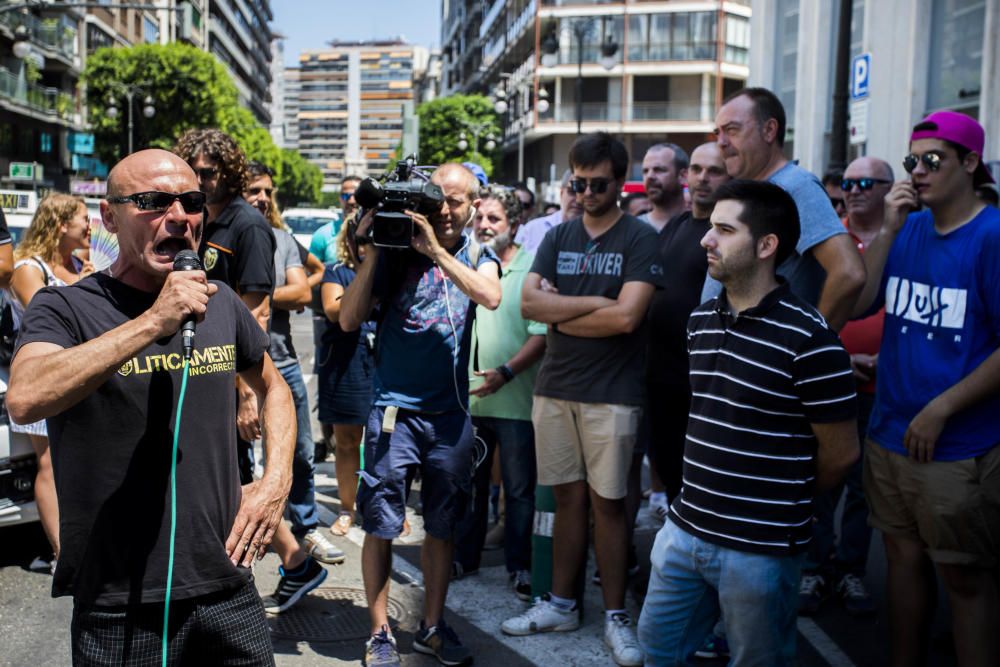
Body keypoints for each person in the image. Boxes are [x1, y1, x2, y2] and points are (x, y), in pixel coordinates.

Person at [6, 149, 294, 664]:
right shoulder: (66, 306)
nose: (178, 217)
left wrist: (275, 484)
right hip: (121, 600)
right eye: (154, 202)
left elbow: (276, 389)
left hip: (227, 587)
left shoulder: (219, 300)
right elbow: (26, 398)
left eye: (190, 202)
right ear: (109, 218)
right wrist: (152, 323)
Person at [637, 179, 859, 665]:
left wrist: (776, 504)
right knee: (656, 651)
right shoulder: (699, 322)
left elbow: (841, 454)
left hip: (760, 550)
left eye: (723, 229)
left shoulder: (811, 339)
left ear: (766, 245)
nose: (705, 239)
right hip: (685, 529)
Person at [502, 132, 663, 667]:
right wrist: (596, 302)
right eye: (578, 182)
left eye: (598, 183)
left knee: (610, 507)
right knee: (566, 501)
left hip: (612, 395)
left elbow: (628, 318)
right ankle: (563, 603)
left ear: (620, 183)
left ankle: (617, 615)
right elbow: (529, 302)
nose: (586, 192)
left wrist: (563, 308)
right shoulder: (559, 235)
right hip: (556, 389)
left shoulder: (639, 237)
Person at [850, 111, 1000, 666]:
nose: (919, 171)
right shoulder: (908, 227)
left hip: (959, 447)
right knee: (901, 563)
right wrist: (888, 229)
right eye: (913, 161)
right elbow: (862, 302)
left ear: (969, 162)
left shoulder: (991, 237)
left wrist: (942, 408)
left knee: (964, 578)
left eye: (932, 160)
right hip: (890, 432)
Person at [340, 163, 501, 667]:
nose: (445, 211)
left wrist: (434, 251)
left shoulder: (479, 255)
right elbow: (347, 318)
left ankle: (431, 626)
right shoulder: (394, 253)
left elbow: (490, 296)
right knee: (381, 526)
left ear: (473, 206)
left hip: (450, 416)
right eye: (439, 199)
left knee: (442, 526)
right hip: (393, 413)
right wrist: (371, 252)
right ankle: (380, 633)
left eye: (456, 202)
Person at [243, 161, 346, 614]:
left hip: (280, 364)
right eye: (253, 190)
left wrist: (253, 292)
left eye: (267, 191)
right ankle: (271, 551)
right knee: (238, 469)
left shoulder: (281, 238)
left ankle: (303, 533)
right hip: (233, 370)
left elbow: (304, 290)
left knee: (300, 454)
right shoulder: (223, 236)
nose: (262, 198)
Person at [799, 157, 893, 617]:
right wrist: (837, 356)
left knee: (864, 487)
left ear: (888, 189)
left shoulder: (905, 239)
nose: (853, 190)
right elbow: (811, 308)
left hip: (886, 386)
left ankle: (851, 569)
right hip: (831, 378)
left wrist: (885, 360)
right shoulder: (828, 238)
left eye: (865, 183)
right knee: (822, 479)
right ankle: (814, 567)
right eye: (849, 183)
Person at [451, 185, 545, 600]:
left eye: (495, 219)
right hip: (469, 400)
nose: (485, 226)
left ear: (515, 225)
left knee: (520, 489)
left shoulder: (533, 269)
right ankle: (464, 557)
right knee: (468, 484)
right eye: (481, 218)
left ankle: (519, 565)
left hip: (516, 401)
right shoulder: (467, 264)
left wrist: (506, 373)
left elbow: (541, 336)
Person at [707, 87, 866, 331]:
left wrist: (806, 349)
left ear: (769, 130)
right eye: (718, 133)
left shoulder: (796, 186)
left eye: (732, 130)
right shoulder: (757, 189)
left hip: (767, 363)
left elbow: (849, 272)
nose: (721, 143)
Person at [174, 128, 276, 484]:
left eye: (209, 172)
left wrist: (248, 394)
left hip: (232, 376)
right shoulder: (198, 220)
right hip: (198, 366)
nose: (200, 180)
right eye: (194, 172)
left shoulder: (249, 226)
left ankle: (259, 542)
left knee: (233, 476)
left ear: (229, 172)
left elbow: (257, 313)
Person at [4, 193, 94, 567]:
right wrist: (87, 290)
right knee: (50, 463)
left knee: (82, 461)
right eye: (84, 219)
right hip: (43, 376)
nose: (91, 227)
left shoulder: (78, 264)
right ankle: (63, 555)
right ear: (60, 225)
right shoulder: (29, 267)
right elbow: (47, 317)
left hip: (81, 375)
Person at [644, 142, 731, 518]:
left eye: (714, 171)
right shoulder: (678, 225)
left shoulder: (727, 235)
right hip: (659, 380)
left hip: (700, 386)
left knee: (703, 487)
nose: (702, 178)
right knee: (671, 475)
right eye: (697, 169)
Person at [319, 219, 376, 537]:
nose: (367, 246)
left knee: (387, 443)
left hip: (382, 362)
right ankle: (347, 507)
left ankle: (384, 506)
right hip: (346, 364)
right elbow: (333, 310)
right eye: (362, 240)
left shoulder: (392, 271)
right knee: (346, 441)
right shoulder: (337, 271)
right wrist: (364, 274)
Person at [515, 169, 584, 253]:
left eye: (582, 192)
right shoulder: (531, 230)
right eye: (572, 192)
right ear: (561, 193)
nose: (577, 199)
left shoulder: (596, 235)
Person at [639, 142, 689, 232]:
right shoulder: (630, 231)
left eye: (659, 170)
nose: (650, 176)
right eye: (645, 171)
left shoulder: (703, 229)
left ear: (683, 176)